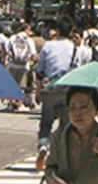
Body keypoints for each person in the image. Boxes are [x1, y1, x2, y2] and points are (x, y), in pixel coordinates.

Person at [35, 17, 81, 169]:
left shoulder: (48, 46)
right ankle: (61, 156)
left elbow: (39, 70)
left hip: (50, 88)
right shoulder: (74, 48)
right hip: (67, 90)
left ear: (58, 31)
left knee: (46, 123)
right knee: (66, 126)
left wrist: (38, 89)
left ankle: (43, 145)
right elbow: (77, 70)